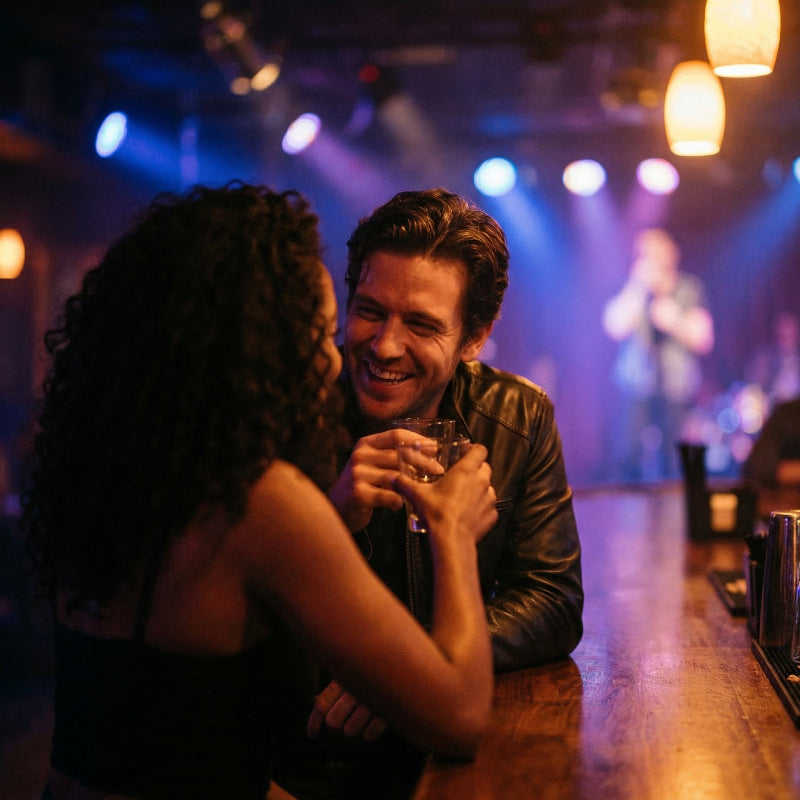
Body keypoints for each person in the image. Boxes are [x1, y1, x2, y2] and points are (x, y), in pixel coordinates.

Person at [20, 183, 500, 800]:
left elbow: (157, 747)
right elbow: (457, 716)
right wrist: (454, 532)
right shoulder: (260, 502)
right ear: (251, 349)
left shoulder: (111, 473)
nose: (331, 362)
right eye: (313, 334)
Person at [273, 188, 583, 798]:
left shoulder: (517, 416)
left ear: (474, 338)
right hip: (298, 763)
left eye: (420, 324)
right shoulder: (286, 406)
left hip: (448, 755)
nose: (385, 345)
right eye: (369, 310)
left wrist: (401, 672)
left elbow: (552, 598)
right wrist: (331, 516)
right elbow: (237, 627)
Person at [602, 227, 714, 482]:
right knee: (627, 454)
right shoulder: (633, 289)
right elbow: (614, 327)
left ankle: (673, 515)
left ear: (670, 255)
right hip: (636, 385)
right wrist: (637, 287)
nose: (648, 259)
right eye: (642, 254)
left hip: (676, 387)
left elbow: (704, 338)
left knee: (673, 459)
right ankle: (627, 516)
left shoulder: (688, 288)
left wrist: (673, 319)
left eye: (654, 253)